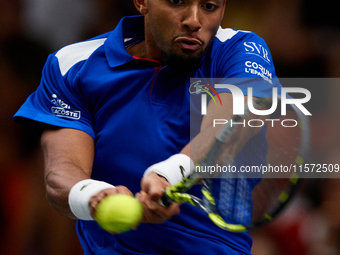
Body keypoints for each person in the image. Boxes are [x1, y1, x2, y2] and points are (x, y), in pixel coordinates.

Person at [14, 0, 280, 254]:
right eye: (177, 2)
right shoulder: (72, 64)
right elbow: (61, 173)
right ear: (142, 2)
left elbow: (234, 123)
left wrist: (170, 175)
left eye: (209, 6)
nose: (194, 21)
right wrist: (94, 196)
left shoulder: (239, 49)